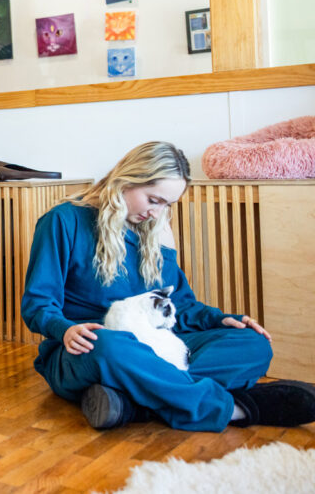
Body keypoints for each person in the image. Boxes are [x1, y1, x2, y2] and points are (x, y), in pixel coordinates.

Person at [21, 141, 315, 431]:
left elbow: (181, 307)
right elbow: (37, 305)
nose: (157, 213)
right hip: (88, 348)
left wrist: (220, 319)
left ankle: (131, 404)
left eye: (166, 205)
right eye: (153, 200)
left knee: (254, 344)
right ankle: (236, 409)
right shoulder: (63, 220)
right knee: (109, 346)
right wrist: (65, 329)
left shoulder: (155, 230)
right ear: (127, 179)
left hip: (154, 345)